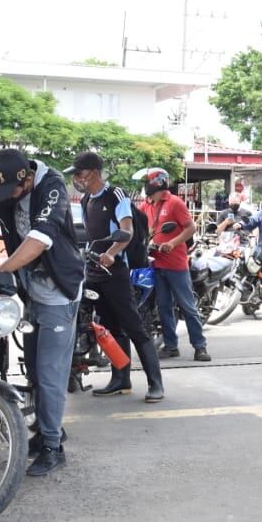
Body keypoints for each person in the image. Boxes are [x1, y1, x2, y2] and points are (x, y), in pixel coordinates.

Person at [0, 149, 86, 476]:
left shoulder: (52, 187)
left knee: (50, 373)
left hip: (59, 292)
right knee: (32, 368)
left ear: (27, 179)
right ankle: (45, 430)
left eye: (11, 191)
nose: (6, 198)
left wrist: (1, 269)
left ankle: (54, 447)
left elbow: (38, 241)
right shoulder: (5, 189)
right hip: (30, 291)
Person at [69, 152, 169, 401]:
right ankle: (120, 379)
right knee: (109, 329)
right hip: (93, 272)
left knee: (134, 327)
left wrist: (112, 253)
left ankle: (156, 384)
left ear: (93, 172)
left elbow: (127, 230)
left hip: (115, 271)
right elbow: (90, 235)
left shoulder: (116, 195)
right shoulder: (86, 200)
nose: (77, 179)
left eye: (79, 173)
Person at [137, 168, 211, 362]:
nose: (146, 185)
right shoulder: (146, 205)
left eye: (149, 180)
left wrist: (172, 243)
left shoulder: (175, 203)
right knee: (163, 307)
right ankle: (171, 346)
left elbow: (191, 228)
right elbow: (139, 228)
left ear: (158, 182)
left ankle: (200, 346)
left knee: (187, 307)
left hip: (176, 264)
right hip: (156, 263)